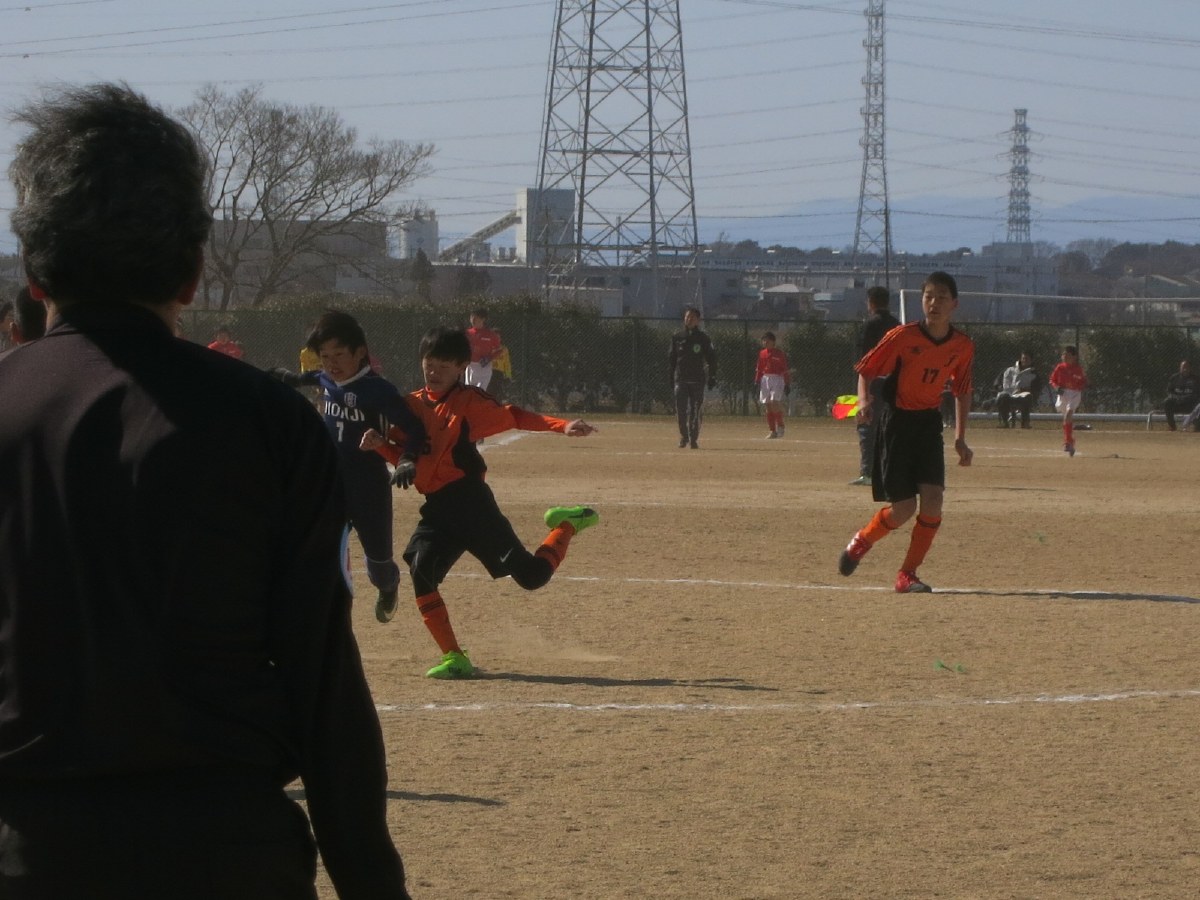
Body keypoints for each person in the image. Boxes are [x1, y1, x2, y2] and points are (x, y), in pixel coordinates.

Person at [0, 83, 410, 899]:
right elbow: (322, 680)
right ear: (192, 271)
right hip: (228, 852)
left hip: (28, 849)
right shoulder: (269, 421)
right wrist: (373, 883)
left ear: (36, 273)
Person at [360, 325, 599, 679]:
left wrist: (560, 425)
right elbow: (410, 461)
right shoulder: (409, 407)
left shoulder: (468, 403)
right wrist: (380, 445)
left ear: (461, 368)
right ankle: (455, 657)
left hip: (471, 504)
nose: (434, 372)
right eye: (429, 364)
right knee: (421, 570)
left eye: (444, 366)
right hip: (437, 509)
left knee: (532, 577)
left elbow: (515, 415)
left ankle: (566, 525)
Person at [270, 310, 426, 625]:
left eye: (339, 354)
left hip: (369, 487)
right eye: (325, 356)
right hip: (330, 482)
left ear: (360, 352)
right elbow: (308, 378)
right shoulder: (327, 377)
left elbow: (415, 429)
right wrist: (282, 376)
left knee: (378, 565)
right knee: (317, 548)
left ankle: (389, 586)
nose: (331, 363)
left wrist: (407, 458)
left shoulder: (379, 390)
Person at [837, 271, 974, 594]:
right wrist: (863, 400)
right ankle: (862, 540)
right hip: (897, 424)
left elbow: (962, 390)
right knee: (903, 509)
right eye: (928, 296)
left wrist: (960, 437)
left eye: (941, 297)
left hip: (928, 426)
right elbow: (866, 370)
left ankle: (907, 574)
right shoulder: (902, 336)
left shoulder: (962, 346)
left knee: (933, 501)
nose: (934, 303)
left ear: (954, 304)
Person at [851, 286, 901, 486]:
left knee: (866, 425)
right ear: (887, 302)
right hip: (894, 382)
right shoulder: (898, 325)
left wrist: (863, 389)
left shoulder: (870, 325)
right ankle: (890, 471)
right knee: (890, 427)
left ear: (870, 303)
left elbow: (863, 358)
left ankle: (868, 472)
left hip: (873, 381)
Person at [668, 306, 717, 449]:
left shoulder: (703, 338)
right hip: (681, 379)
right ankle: (684, 437)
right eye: (687, 317)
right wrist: (671, 375)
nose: (689, 319)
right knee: (681, 410)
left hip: (697, 380)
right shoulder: (677, 337)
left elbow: (712, 359)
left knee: (695, 410)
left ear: (698, 320)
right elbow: (672, 359)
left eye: (692, 317)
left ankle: (694, 438)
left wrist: (712, 376)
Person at [1049, 345, 1088, 457]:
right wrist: (1056, 387)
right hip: (1063, 394)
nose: (1064, 357)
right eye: (1063, 354)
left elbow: (1083, 381)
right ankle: (1070, 440)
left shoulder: (1078, 369)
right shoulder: (1060, 368)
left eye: (1068, 355)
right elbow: (1052, 380)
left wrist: (1082, 385)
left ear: (1074, 357)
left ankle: (1067, 442)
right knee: (1066, 418)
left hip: (1074, 394)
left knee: (1068, 414)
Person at [754, 331, 791, 438]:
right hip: (765, 379)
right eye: (764, 341)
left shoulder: (779, 354)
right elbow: (759, 369)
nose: (765, 342)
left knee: (774, 402)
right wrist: (757, 381)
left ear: (773, 342)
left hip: (777, 378)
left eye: (767, 341)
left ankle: (781, 426)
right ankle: (772, 431)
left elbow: (784, 369)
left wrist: (787, 383)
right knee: (768, 405)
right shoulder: (762, 353)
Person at [995, 352, 1041, 428]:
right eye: (1023, 358)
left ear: (1031, 360)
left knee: (1028, 396)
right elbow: (998, 382)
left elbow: (1036, 388)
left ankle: (1025, 423)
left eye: (1027, 359)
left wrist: (1025, 390)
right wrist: (999, 387)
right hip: (1007, 395)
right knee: (1003, 396)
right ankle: (1004, 423)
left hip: (1022, 396)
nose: (1024, 360)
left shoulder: (1034, 373)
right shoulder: (1010, 370)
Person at [465, 307, 503, 391]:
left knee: (480, 391)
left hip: (484, 367)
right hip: (470, 366)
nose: (473, 319)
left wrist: (489, 358)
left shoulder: (491, 334)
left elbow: (499, 350)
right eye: (472, 317)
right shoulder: (467, 333)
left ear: (483, 319)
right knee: (469, 391)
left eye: (476, 317)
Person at [1162, 360, 1198, 432]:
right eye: (1183, 367)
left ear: (1190, 368)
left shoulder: (1196, 379)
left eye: (1187, 367)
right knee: (1167, 402)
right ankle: (1172, 426)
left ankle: (1197, 427)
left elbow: (1197, 394)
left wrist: (1187, 398)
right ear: (1180, 368)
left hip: (1191, 405)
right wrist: (1177, 398)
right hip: (1178, 404)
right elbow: (1169, 392)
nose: (1185, 369)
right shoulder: (1174, 378)